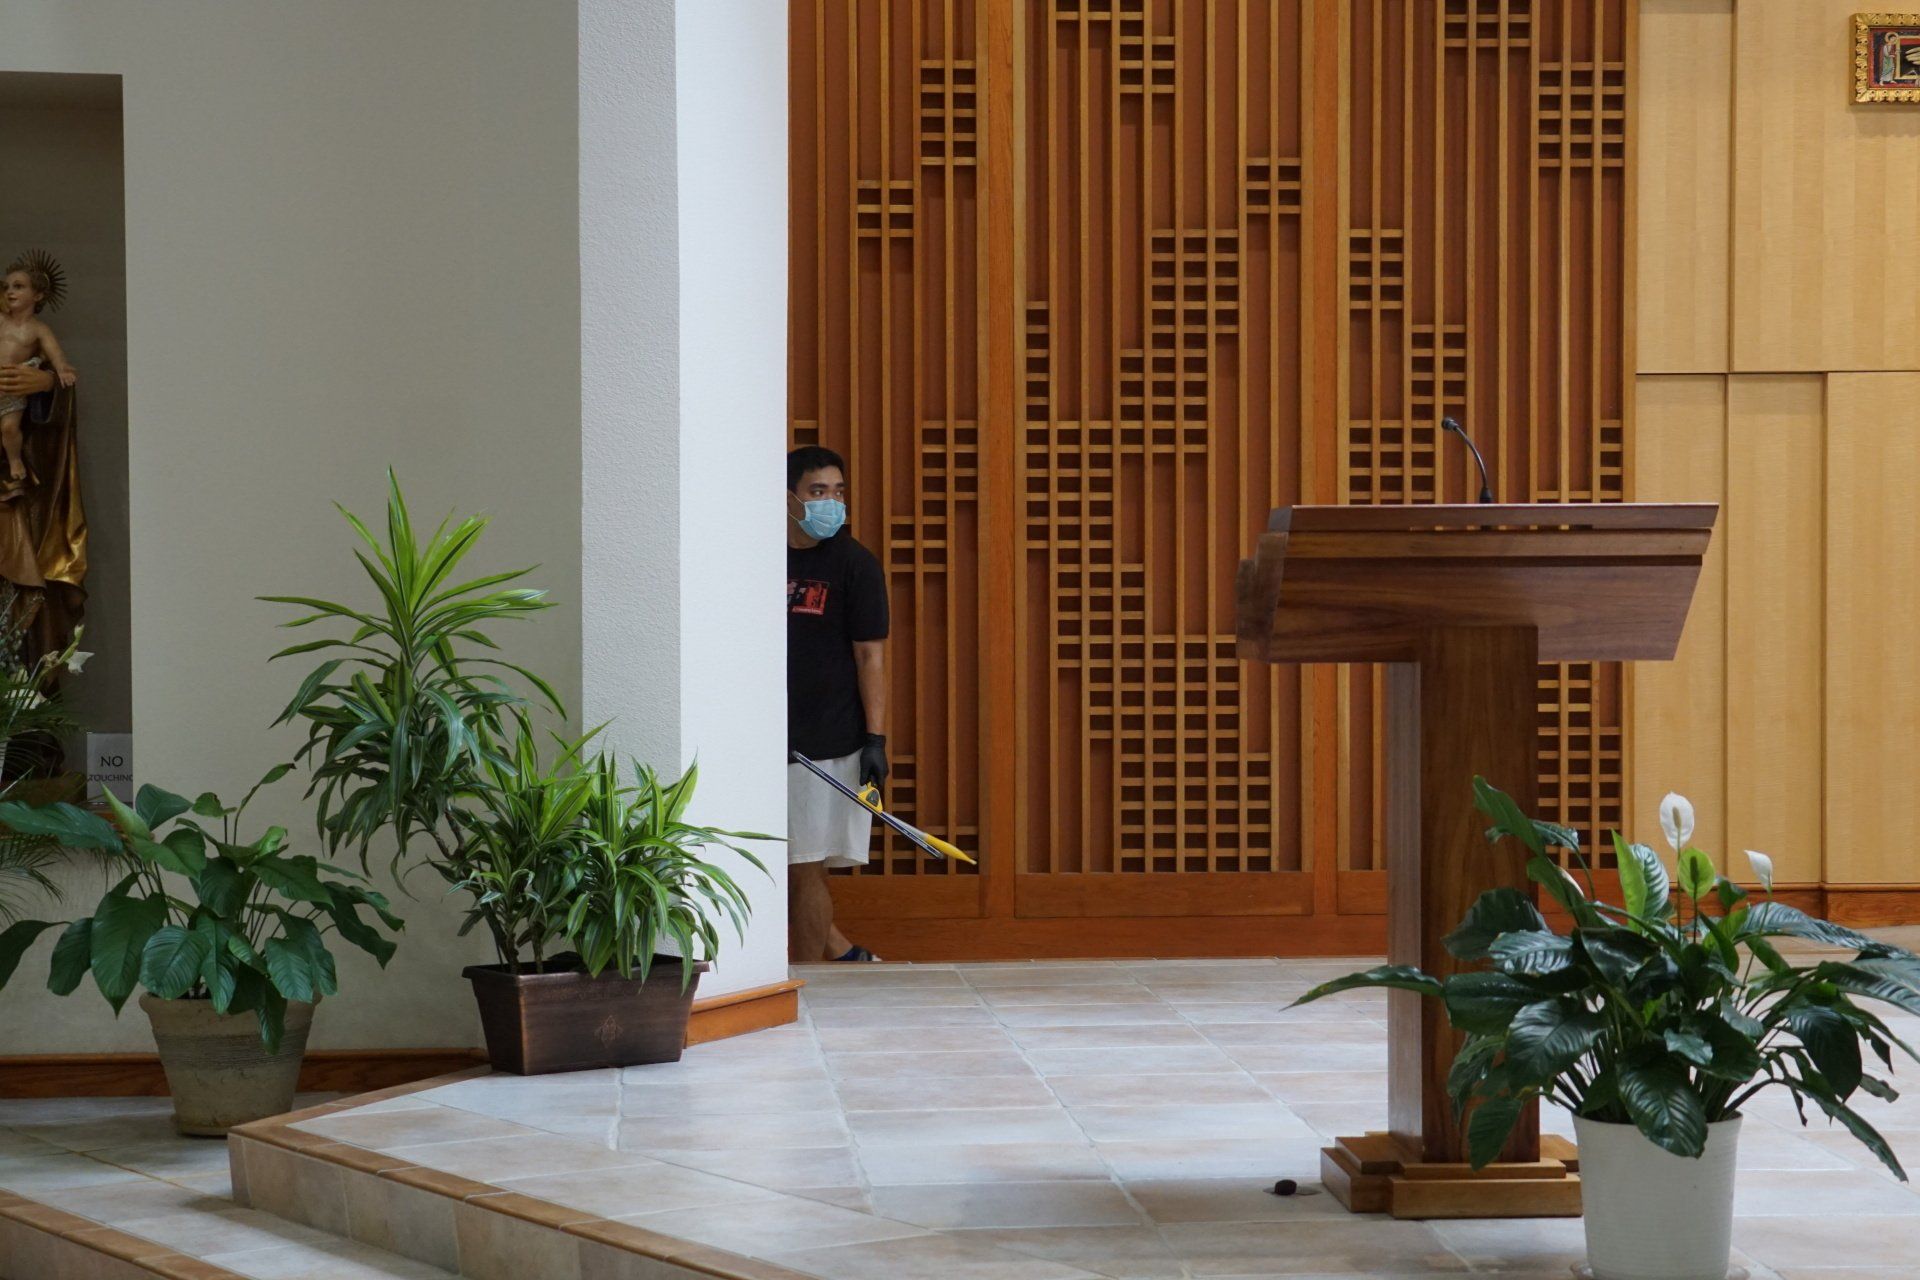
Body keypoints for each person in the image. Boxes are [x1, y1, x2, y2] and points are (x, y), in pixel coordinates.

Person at [786, 444, 889, 963]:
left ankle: (809, 983)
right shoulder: (755, 555)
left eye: (838, 492)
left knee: (806, 864)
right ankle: (842, 951)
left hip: (824, 740)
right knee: (778, 862)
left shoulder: (855, 564)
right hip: (757, 735)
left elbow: (871, 656)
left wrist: (875, 739)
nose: (831, 502)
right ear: (790, 498)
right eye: (818, 491)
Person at [0, 253, 78, 503]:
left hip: (13, 392)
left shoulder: (38, 329)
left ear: (38, 295)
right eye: (7, 287)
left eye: (18, 287)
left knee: (9, 428)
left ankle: (15, 460)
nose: (10, 292)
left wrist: (60, 371)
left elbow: (55, 355)